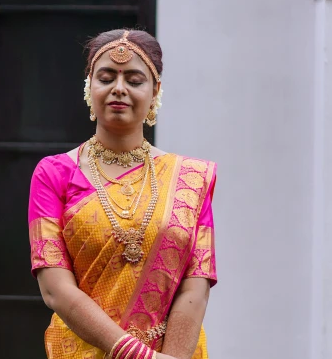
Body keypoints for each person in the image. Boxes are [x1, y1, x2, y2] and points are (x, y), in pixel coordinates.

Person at [28, 29, 216, 359]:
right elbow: (55, 288)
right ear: (89, 86)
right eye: (106, 77)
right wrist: (140, 356)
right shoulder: (54, 174)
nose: (119, 88)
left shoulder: (191, 179)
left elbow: (196, 283)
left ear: (155, 90)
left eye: (134, 79)